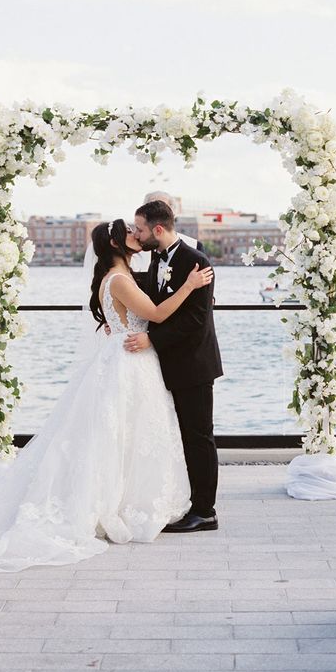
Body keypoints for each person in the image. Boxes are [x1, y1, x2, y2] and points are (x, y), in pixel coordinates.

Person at [0, 219, 213, 571]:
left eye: (139, 230)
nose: (137, 235)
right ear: (118, 245)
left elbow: (135, 312)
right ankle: (120, 504)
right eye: (130, 233)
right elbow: (156, 313)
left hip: (125, 357)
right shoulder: (119, 279)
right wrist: (190, 284)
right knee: (126, 433)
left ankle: (126, 499)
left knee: (125, 434)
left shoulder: (118, 277)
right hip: (130, 361)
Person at [125, 200, 223, 533]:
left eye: (139, 228)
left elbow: (197, 319)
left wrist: (152, 340)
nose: (136, 234)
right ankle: (189, 502)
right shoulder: (156, 258)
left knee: (199, 437)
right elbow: (155, 299)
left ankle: (205, 511)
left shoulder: (197, 263)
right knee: (181, 436)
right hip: (168, 364)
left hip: (195, 363)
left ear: (157, 229)